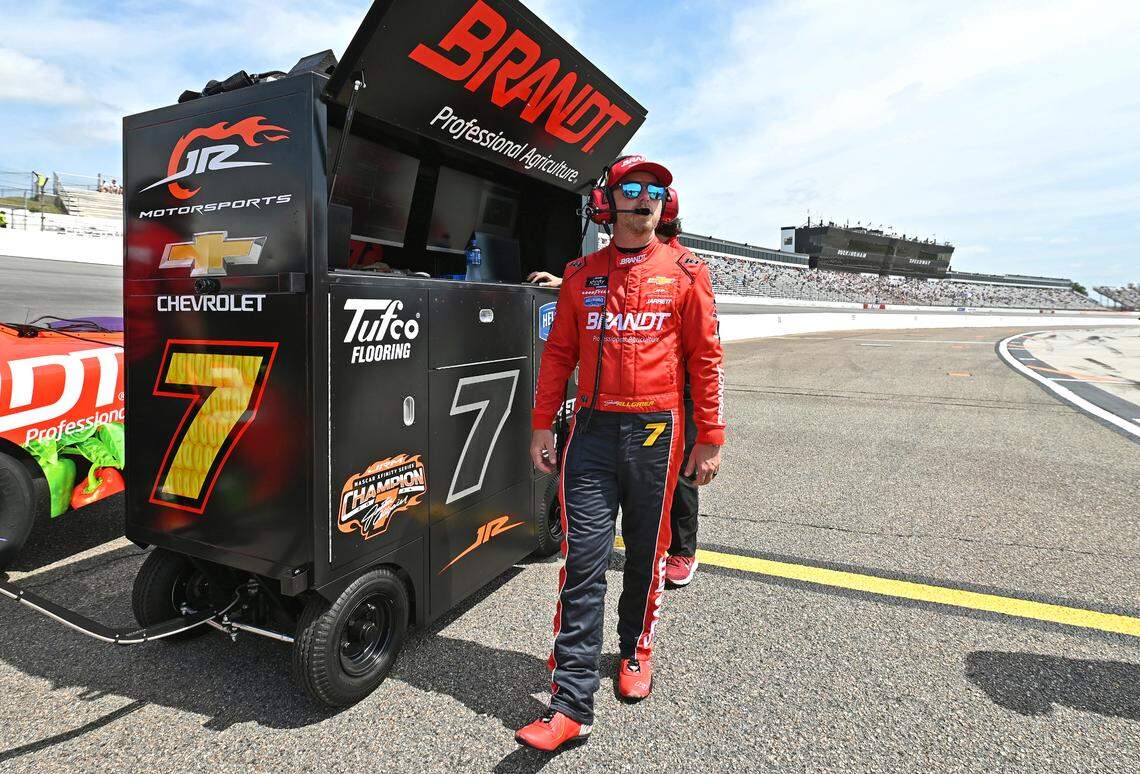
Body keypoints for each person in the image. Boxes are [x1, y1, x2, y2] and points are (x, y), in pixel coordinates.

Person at [517, 155, 725, 752]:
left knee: (645, 555)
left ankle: (635, 648)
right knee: (582, 562)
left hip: (658, 431)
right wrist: (541, 427)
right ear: (609, 203)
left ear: (668, 201)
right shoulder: (580, 273)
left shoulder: (687, 272)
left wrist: (710, 435)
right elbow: (558, 356)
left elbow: (705, 360)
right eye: (632, 188)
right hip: (591, 431)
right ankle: (570, 704)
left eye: (656, 189)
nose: (645, 199)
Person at [528, 215, 702, 588]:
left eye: (668, 233)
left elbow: (706, 351)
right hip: (612, 408)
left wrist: (710, 431)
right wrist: (568, 283)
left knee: (683, 475)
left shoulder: (684, 269)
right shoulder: (614, 264)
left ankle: (683, 550)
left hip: (674, 393)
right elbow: (615, 290)